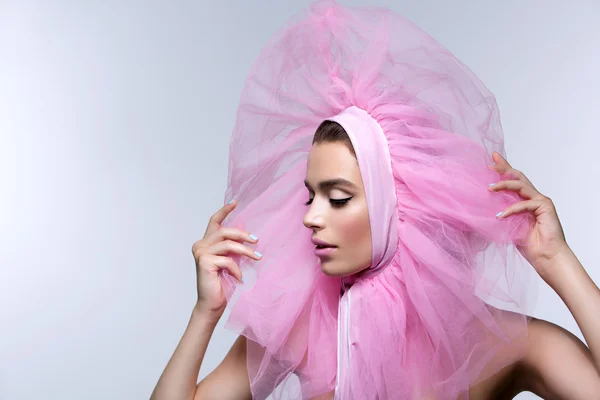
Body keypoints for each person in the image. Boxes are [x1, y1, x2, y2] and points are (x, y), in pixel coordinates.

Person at [151, 1, 600, 398]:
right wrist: (204, 312)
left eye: (339, 198)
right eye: (310, 197)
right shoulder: (298, 330)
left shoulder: (497, 341)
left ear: (398, 208)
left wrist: (554, 259)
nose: (309, 217)